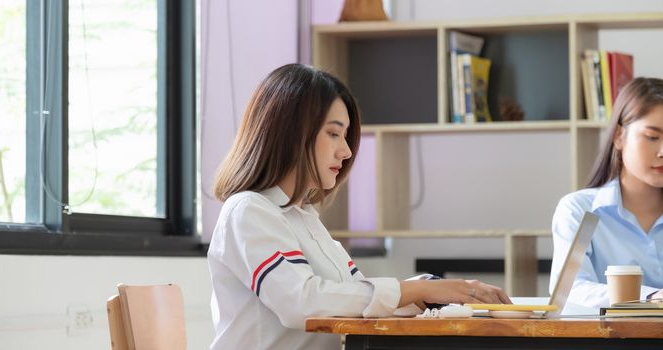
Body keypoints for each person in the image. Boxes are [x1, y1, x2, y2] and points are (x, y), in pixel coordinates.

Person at [207, 63, 511, 350]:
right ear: (291, 132)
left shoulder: (303, 218)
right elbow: (302, 303)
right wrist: (421, 291)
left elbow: (355, 295)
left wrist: (437, 291)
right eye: (334, 133)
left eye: (346, 136)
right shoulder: (249, 211)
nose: (347, 150)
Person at [550, 77, 663, 310]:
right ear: (619, 136)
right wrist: (651, 298)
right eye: (652, 137)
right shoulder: (580, 210)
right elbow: (571, 289)